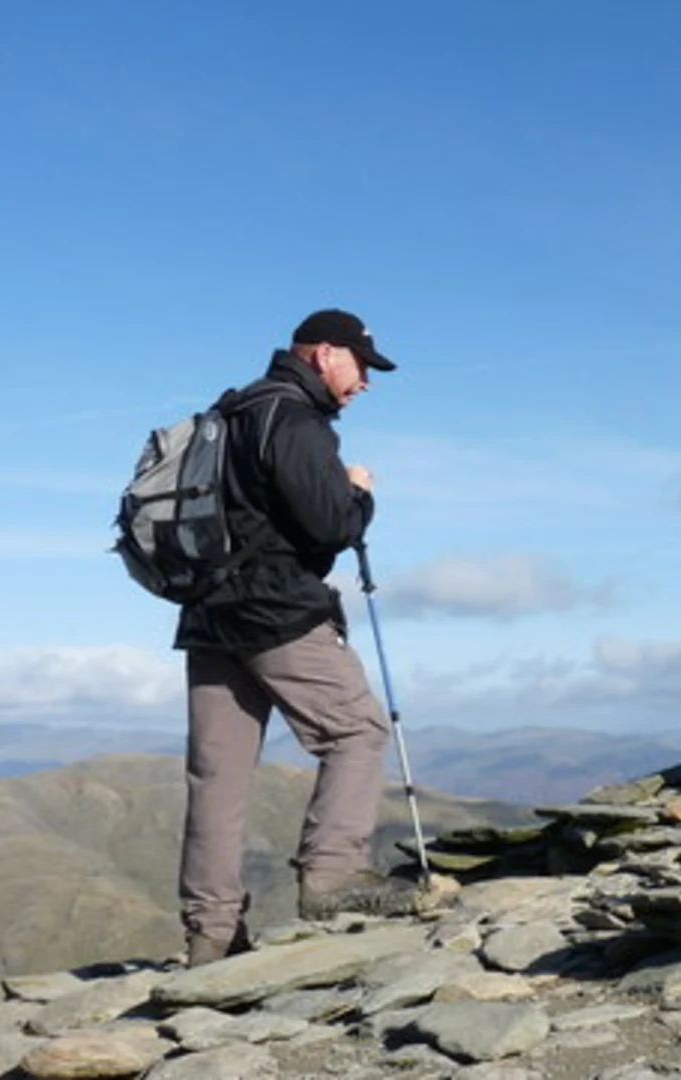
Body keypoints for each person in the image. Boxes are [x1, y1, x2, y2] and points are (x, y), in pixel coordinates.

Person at [174, 308, 428, 967]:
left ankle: (211, 935)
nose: (366, 382)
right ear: (323, 354)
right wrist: (359, 494)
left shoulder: (226, 415)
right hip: (274, 610)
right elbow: (329, 527)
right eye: (362, 366)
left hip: (207, 613)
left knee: (217, 775)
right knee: (356, 731)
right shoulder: (294, 419)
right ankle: (333, 877)